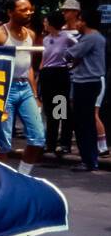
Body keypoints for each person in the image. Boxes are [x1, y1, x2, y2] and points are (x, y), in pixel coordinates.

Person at [0, 0, 44, 175]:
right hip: (4, 89)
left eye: (30, 9)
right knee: (3, 144)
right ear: (10, 12)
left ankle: (23, 177)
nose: (29, 13)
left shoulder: (31, 34)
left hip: (25, 88)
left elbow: (29, 68)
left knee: (38, 138)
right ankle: (2, 182)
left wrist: (35, 96)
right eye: (23, 10)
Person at [65, 8, 106, 172]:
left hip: (86, 83)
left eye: (79, 20)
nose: (77, 24)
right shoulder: (93, 37)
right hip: (87, 82)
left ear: (85, 21)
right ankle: (90, 159)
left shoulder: (91, 38)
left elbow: (69, 54)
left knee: (83, 123)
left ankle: (88, 160)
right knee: (86, 121)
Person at [39, 11, 75, 159]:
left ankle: (65, 143)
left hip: (60, 74)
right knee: (49, 110)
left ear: (52, 23)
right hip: (47, 74)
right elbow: (44, 58)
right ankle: (50, 144)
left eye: (46, 21)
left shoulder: (66, 37)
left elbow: (78, 50)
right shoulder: (46, 39)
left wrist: (71, 64)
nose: (44, 24)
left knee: (60, 108)